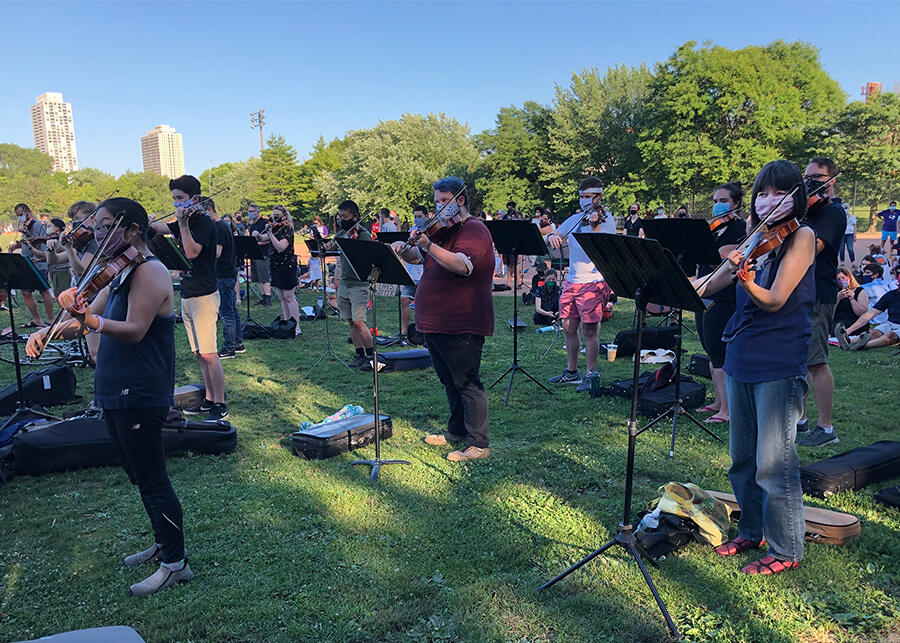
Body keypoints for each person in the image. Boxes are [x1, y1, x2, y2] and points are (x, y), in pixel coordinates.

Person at [26, 197, 193, 596]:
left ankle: (175, 563)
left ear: (132, 229)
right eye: (95, 226)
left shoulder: (150, 272)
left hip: (142, 388)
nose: (96, 234)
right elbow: (84, 323)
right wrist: (48, 331)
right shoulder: (117, 272)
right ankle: (161, 543)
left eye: (104, 226)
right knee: (138, 475)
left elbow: (134, 328)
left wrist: (88, 319)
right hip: (116, 386)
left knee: (153, 479)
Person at [695, 159, 815, 576]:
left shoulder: (802, 236)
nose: (767, 201)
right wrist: (690, 288)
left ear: (795, 197)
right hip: (741, 354)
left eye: (776, 193)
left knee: (773, 461)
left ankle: (787, 548)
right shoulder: (754, 237)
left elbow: (777, 297)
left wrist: (746, 281)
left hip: (779, 359)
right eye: (761, 193)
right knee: (741, 457)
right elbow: (714, 284)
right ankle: (752, 529)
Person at [392, 176, 494, 462]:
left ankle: (479, 443)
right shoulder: (442, 231)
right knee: (449, 380)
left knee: (467, 382)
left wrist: (428, 246)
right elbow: (419, 258)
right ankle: (457, 431)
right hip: (435, 320)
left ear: (459, 200)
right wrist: (404, 247)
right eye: (435, 201)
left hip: (461, 319)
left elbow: (462, 265)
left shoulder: (475, 230)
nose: (438, 206)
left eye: (443, 201)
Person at [150, 175, 227, 422]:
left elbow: (192, 253)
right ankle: (209, 398)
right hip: (188, 293)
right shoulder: (186, 221)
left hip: (204, 295)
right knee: (198, 352)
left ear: (194, 199)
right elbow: (161, 229)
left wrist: (182, 225)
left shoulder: (204, 224)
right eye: (174, 199)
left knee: (209, 353)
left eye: (180, 199)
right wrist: (147, 223)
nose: (176, 204)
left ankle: (220, 402)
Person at [543, 177, 616, 393]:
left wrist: (594, 226)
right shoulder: (576, 218)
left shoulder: (607, 220)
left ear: (599, 197)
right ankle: (571, 371)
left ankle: (590, 374)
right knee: (568, 327)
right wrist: (554, 237)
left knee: (590, 330)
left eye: (588, 197)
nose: (584, 200)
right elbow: (554, 233)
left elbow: (598, 246)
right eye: (581, 196)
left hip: (593, 281)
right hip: (572, 280)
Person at [796, 157, 845, 448]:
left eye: (817, 176)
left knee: (816, 361)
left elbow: (812, 248)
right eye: (808, 176)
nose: (811, 181)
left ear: (832, 180)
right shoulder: (809, 210)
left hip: (819, 291)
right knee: (800, 359)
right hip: (802, 291)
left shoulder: (832, 212)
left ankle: (826, 428)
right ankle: (800, 418)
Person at [695, 182, 746, 423]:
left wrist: (714, 251)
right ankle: (718, 400)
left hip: (724, 294)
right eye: (715, 201)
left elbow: (728, 256)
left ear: (736, 203)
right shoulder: (714, 229)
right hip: (704, 292)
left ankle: (727, 409)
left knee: (718, 350)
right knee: (709, 348)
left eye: (723, 201)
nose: (718, 206)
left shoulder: (741, 227)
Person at [330, 200, 374, 368]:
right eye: (340, 216)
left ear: (355, 217)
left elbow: (368, 256)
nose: (341, 220)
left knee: (359, 321)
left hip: (359, 283)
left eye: (345, 216)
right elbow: (331, 245)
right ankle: (359, 354)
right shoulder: (342, 233)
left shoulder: (362, 234)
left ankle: (371, 355)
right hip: (345, 282)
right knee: (350, 320)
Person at [207, 199, 244, 359]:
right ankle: (237, 343)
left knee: (226, 312)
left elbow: (217, 253)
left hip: (223, 274)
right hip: (227, 273)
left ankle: (229, 348)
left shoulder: (219, 228)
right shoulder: (222, 226)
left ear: (208, 210)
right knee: (231, 310)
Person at [12, 203, 54, 328]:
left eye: (21, 215)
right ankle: (37, 320)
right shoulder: (27, 226)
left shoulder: (35, 225)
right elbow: (27, 243)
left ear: (27, 212)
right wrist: (19, 245)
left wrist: (27, 235)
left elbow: (36, 243)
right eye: (17, 216)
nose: (20, 218)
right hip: (27, 261)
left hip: (38, 262)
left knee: (44, 290)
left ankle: (50, 320)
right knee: (26, 292)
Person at [837, 266, 900, 350]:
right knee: (872, 333)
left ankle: (860, 346)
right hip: (890, 323)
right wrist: (849, 330)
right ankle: (848, 341)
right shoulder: (891, 295)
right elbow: (870, 314)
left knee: (890, 336)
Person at [266, 205, 301, 334]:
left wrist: (269, 233)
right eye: (273, 214)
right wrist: (259, 234)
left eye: (277, 215)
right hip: (276, 264)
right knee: (281, 296)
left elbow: (280, 247)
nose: (274, 217)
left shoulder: (287, 228)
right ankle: (287, 323)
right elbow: (264, 239)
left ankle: (296, 326)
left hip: (287, 264)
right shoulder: (276, 228)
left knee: (289, 296)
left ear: (284, 215)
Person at [395, 205, 427, 344]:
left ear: (426, 216)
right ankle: (404, 333)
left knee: (423, 304)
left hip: (424, 274)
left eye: (420, 216)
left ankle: (423, 333)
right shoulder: (412, 231)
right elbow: (408, 252)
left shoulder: (430, 231)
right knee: (404, 300)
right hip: (411, 273)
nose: (417, 219)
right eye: (415, 216)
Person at [247, 203, 272, 306]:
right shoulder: (252, 225)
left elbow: (269, 239)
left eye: (252, 211)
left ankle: (268, 298)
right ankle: (263, 296)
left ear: (257, 211)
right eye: (249, 211)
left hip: (264, 253)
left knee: (264, 276)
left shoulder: (264, 223)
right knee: (258, 278)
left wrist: (258, 243)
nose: (250, 213)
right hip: (255, 253)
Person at [832, 267, 869, 334]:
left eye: (843, 277)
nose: (841, 281)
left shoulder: (859, 291)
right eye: (838, 279)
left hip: (855, 323)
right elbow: (830, 313)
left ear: (849, 277)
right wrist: (838, 299)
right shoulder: (836, 292)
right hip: (839, 322)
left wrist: (852, 299)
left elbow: (861, 313)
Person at [45, 218, 71, 296]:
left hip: (62, 272)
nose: (48, 228)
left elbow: (60, 248)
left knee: (62, 297)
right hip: (54, 271)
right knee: (57, 296)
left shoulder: (64, 238)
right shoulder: (53, 238)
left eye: (50, 226)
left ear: (57, 228)